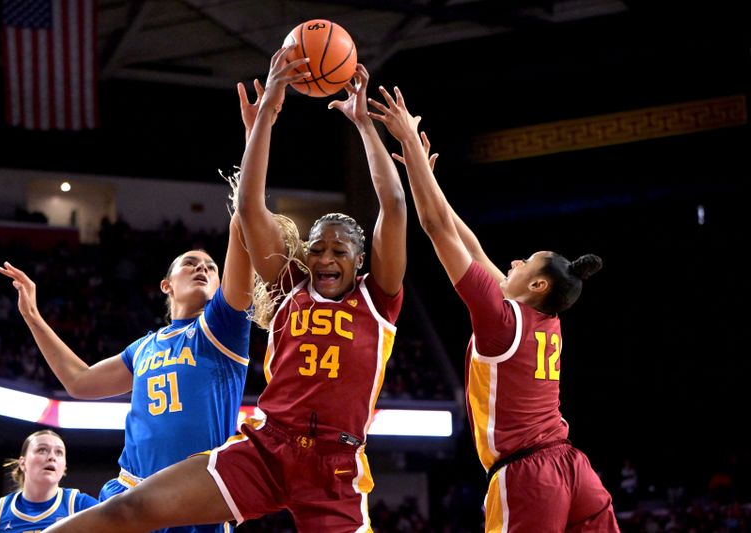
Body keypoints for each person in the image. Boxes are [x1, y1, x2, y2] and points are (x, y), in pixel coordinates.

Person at [41, 44, 407, 533]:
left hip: (335, 468)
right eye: (317, 248)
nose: (324, 258)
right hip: (269, 446)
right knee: (129, 510)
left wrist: (364, 125)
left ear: (359, 261)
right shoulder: (287, 289)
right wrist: (265, 121)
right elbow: (249, 208)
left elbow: (395, 207)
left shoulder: (377, 298)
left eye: (339, 251)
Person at [368, 86, 620, 532]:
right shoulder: (548, 316)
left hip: (529, 476)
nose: (515, 261)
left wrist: (408, 138)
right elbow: (470, 243)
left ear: (538, 284)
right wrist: (426, 178)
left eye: (526, 261)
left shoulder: (501, 320)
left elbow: (435, 227)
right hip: (575, 469)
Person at [0, 216, 254, 532]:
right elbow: (79, 381)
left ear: (219, 286)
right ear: (166, 284)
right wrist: (32, 316)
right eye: (190, 263)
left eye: (211, 267)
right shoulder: (143, 347)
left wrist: (242, 207)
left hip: (196, 501)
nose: (202, 268)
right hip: (132, 489)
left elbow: (243, 230)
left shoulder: (222, 330)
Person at [0, 430, 97, 533]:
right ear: (22, 463)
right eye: (42, 450)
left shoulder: (80, 505)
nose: (52, 457)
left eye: (59, 452)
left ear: (64, 466)